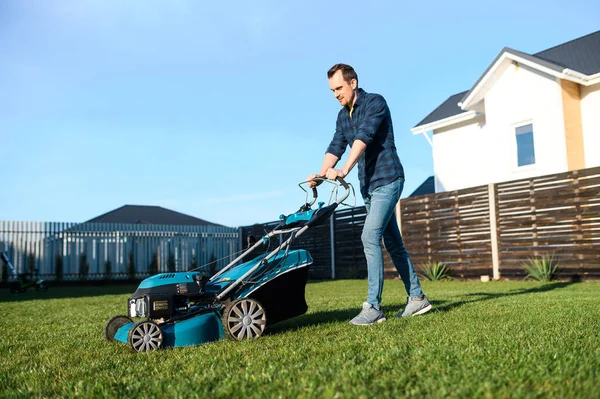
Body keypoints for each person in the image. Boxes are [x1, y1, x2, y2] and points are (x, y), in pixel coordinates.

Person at [307, 64, 432, 325]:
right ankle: (418, 299)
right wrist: (320, 175)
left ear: (353, 83)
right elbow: (336, 146)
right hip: (369, 187)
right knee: (393, 244)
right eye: (332, 90)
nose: (335, 94)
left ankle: (373, 308)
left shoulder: (375, 102)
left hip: (388, 180)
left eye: (339, 88)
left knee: (368, 236)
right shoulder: (343, 117)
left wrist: (344, 170)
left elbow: (364, 137)